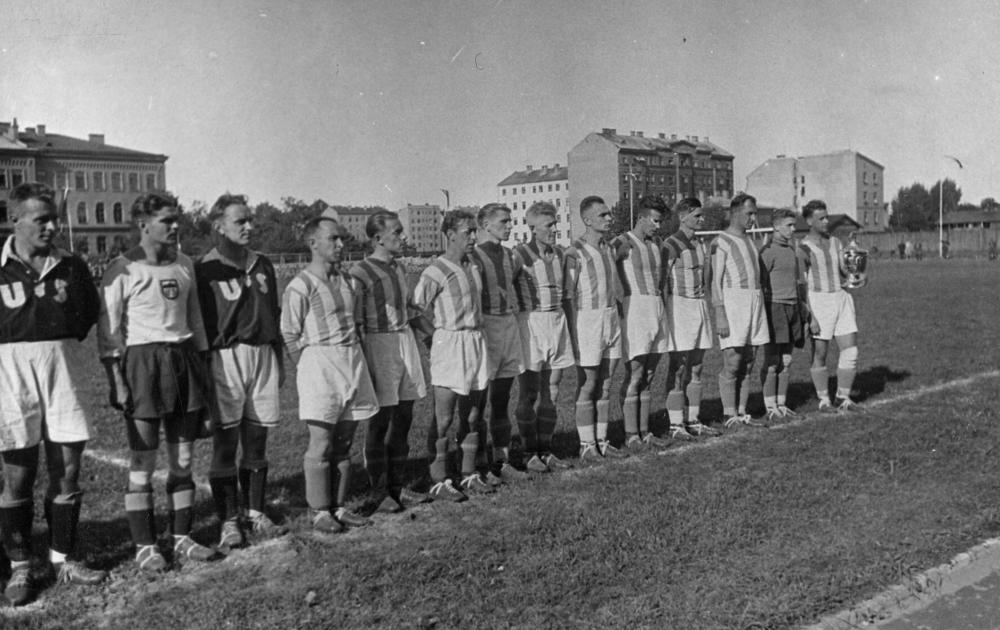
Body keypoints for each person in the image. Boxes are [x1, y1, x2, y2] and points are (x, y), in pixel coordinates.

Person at [0, 183, 106, 606]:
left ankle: (64, 559)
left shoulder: (72, 266)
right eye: (41, 219)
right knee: (18, 475)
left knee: (68, 471)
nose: (52, 226)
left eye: (54, 219)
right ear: (15, 220)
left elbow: (87, 317)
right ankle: (20, 565)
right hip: (10, 377)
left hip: (63, 373)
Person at [99, 191, 216, 571]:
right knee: (142, 462)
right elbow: (108, 333)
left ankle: (182, 537)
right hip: (142, 365)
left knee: (183, 459)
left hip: (183, 361)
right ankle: (145, 546)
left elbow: (195, 321)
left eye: (176, 218)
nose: (175, 225)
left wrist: (204, 371)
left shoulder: (185, 264)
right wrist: (117, 381)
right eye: (167, 220)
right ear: (143, 225)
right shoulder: (122, 268)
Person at [195, 193, 288, 554]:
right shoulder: (206, 268)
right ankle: (228, 521)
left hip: (262, 355)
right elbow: (202, 327)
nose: (249, 226)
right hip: (226, 358)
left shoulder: (262, 264)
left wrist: (278, 358)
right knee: (225, 443)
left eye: (250, 220)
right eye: (240, 221)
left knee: (258, 439)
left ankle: (256, 512)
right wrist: (205, 377)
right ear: (219, 226)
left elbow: (273, 315)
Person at [281, 216, 379, 533]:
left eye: (342, 239)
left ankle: (339, 506)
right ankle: (320, 511)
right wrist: (308, 368)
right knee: (321, 441)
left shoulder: (350, 282)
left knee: (345, 440)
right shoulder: (300, 285)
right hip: (320, 363)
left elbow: (358, 326)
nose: (340, 245)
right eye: (332, 239)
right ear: (313, 243)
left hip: (352, 359)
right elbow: (289, 333)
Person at [349, 212, 430, 511]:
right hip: (378, 343)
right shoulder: (359, 272)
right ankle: (379, 489)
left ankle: (398, 485)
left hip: (404, 340)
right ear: (377, 238)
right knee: (380, 419)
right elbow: (356, 322)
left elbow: (409, 309)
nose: (402, 236)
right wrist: (363, 362)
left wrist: (431, 337)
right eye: (396, 232)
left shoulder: (399, 267)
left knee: (404, 416)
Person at [412, 209, 491, 500]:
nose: (473, 237)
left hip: (475, 340)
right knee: (443, 417)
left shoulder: (473, 265)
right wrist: (432, 338)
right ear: (450, 235)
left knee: (473, 414)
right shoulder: (435, 270)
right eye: (467, 232)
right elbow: (414, 310)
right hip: (450, 342)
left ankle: (468, 473)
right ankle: (438, 479)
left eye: (474, 231)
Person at [467, 204, 529, 484]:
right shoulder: (474, 257)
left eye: (510, 221)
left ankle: (501, 460)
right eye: (504, 222)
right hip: (485, 327)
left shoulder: (510, 255)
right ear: (485, 225)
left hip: (508, 324)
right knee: (477, 403)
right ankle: (478, 464)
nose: (509, 226)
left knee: (501, 400)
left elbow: (513, 280)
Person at [512, 202, 574, 473]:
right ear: (532, 227)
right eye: (548, 225)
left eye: (555, 224)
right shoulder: (519, 255)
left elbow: (567, 295)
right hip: (532, 322)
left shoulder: (560, 253)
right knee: (529, 391)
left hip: (557, 320)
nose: (554, 229)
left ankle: (546, 449)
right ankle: (529, 452)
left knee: (553, 389)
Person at [564, 196, 625, 461]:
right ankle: (586, 444)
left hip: (610, 317)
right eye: (603, 215)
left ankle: (602, 439)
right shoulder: (574, 252)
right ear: (587, 220)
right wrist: (573, 333)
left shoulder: (609, 248)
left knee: (607, 383)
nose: (609, 219)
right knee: (588, 383)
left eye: (609, 214)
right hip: (587, 320)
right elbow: (568, 295)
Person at [611, 196, 670, 451]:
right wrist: (617, 304)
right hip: (635, 309)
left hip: (656, 308)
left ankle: (645, 431)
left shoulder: (657, 243)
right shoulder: (621, 242)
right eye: (654, 221)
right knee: (635, 373)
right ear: (641, 218)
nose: (658, 226)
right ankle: (630, 434)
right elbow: (607, 271)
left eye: (660, 221)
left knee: (649, 374)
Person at [710, 193, 769, 428]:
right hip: (734, 303)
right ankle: (728, 414)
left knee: (749, 360)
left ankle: (742, 411)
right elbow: (715, 282)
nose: (753, 218)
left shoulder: (750, 241)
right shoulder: (721, 241)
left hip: (755, 302)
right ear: (735, 213)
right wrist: (720, 313)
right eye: (749, 214)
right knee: (733, 360)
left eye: (755, 213)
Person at [662, 198, 720, 438]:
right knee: (678, 366)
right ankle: (675, 424)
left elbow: (707, 279)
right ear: (682, 217)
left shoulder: (700, 243)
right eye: (697, 216)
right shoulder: (670, 244)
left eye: (701, 215)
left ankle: (693, 420)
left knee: (697, 366)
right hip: (679, 306)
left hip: (699, 305)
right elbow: (663, 282)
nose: (701, 219)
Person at [798, 200, 861, 411]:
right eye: (821, 218)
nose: (826, 221)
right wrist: (810, 315)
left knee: (851, 351)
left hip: (841, 298)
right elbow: (801, 285)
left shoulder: (835, 242)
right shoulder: (803, 248)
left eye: (827, 217)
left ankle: (843, 397)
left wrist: (855, 269)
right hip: (819, 301)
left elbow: (844, 271)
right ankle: (824, 399)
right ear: (809, 221)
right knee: (820, 353)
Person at [758, 208, 808, 421]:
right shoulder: (767, 251)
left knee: (787, 360)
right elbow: (760, 284)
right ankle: (770, 406)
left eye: (794, 225)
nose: (793, 229)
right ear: (776, 227)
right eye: (789, 225)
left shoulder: (791, 250)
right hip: (774, 307)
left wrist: (802, 307)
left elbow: (797, 282)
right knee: (772, 360)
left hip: (792, 307)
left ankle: (781, 403)